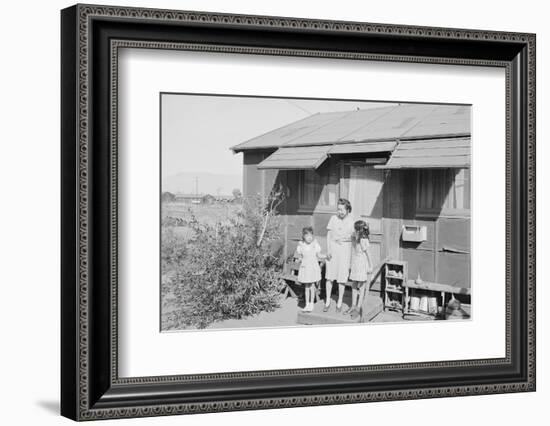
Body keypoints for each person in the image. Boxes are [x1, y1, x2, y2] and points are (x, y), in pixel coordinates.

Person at [324, 198, 354, 313]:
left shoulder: (351, 222)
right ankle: (327, 301)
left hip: (345, 250)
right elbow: (329, 235)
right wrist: (328, 250)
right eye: (338, 209)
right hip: (333, 249)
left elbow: (353, 237)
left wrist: (344, 238)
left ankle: (340, 301)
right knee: (329, 276)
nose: (339, 212)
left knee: (342, 277)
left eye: (342, 210)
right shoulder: (333, 219)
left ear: (347, 210)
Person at [294, 226, 325, 313]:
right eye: (307, 236)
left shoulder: (315, 244)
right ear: (304, 236)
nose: (310, 238)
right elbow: (300, 257)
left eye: (311, 236)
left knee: (312, 286)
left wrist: (326, 256)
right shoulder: (301, 245)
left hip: (312, 268)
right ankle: (307, 304)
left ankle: (311, 303)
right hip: (305, 268)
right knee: (307, 287)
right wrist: (298, 260)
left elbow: (319, 255)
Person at [347, 220, 373, 319]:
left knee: (361, 286)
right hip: (355, 263)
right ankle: (353, 305)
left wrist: (370, 266)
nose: (355, 231)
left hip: (362, 264)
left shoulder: (363, 240)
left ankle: (358, 307)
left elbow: (368, 254)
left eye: (356, 230)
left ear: (360, 231)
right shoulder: (356, 239)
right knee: (354, 284)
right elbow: (352, 248)